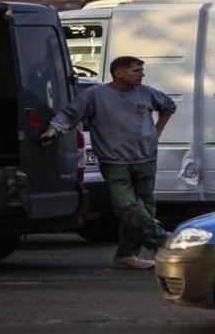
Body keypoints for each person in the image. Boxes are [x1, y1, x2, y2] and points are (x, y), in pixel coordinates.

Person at [41, 56, 175, 270]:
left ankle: (126, 255)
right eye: (136, 70)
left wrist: (156, 131)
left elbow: (168, 106)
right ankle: (164, 242)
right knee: (127, 206)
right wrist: (53, 130)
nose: (142, 73)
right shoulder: (96, 95)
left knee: (145, 207)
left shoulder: (147, 92)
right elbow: (70, 114)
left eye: (142, 70)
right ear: (118, 73)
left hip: (146, 157)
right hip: (115, 160)